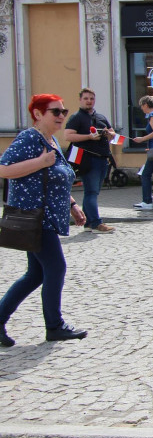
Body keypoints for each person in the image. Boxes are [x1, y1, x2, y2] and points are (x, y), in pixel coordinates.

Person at [0, 94, 88, 347]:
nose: (62, 116)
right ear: (38, 114)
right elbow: (3, 169)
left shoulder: (49, 140)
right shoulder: (30, 138)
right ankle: (54, 326)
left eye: (63, 111)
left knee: (35, 274)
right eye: (56, 112)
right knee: (55, 268)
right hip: (36, 218)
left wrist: (72, 205)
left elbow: (55, 178)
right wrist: (39, 162)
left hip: (46, 217)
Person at [63, 88, 115, 233]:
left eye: (91, 98)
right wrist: (88, 137)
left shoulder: (101, 117)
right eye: (86, 98)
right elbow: (68, 136)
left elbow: (112, 134)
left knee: (93, 192)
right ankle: (96, 223)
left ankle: (87, 223)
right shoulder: (76, 117)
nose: (89, 101)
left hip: (102, 158)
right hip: (87, 159)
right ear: (80, 100)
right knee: (91, 191)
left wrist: (109, 134)